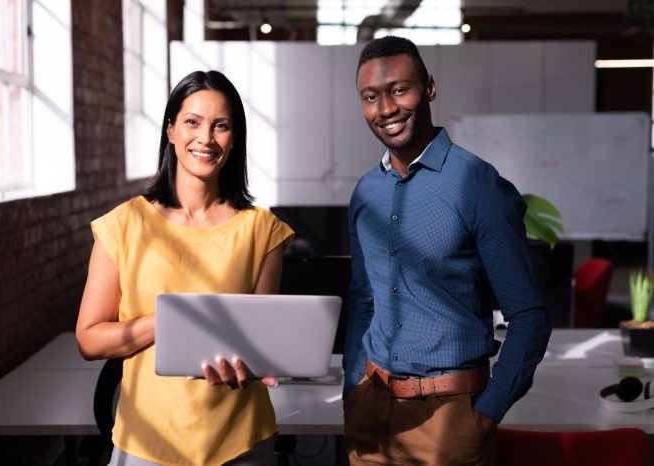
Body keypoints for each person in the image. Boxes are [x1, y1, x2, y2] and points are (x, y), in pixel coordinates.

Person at [343, 36, 552, 466]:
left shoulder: (478, 185)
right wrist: (352, 390)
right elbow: (364, 300)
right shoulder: (365, 194)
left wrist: (484, 416)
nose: (385, 109)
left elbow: (529, 316)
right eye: (371, 97)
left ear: (430, 88)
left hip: (449, 418)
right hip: (372, 411)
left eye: (400, 90)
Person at [76, 70, 294, 466]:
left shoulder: (263, 230)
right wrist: (170, 321)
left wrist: (252, 364)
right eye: (192, 122)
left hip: (241, 442)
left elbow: (262, 342)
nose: (206, 139)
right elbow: (89, 340)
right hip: (146, 443)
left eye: (221, 126)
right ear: (171, 129)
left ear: (235, 137)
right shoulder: (123, 225)